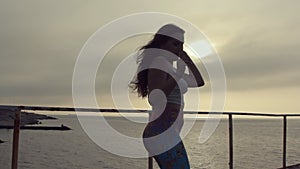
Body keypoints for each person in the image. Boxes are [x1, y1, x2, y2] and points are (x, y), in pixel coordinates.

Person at [130, 24, 205, 169]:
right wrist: (177, 74)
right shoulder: (159, 63)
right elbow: (154, 98)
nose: (179, 49)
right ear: (162, 44)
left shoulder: (170, 68)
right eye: (175, 43)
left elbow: (198, 82)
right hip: (161, 130)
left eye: (182, 45)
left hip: (169, 131)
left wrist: (187, 61)